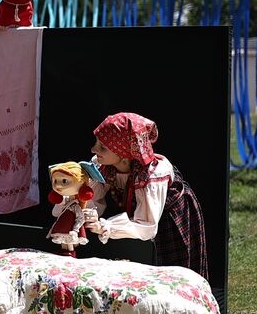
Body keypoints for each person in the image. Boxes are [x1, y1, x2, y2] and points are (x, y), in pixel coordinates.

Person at [85, 112, 209, 280]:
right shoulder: (103, 165)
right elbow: (92, 198)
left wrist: (106, 227)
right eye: (96, 144)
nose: (94, 150)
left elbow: (146, 226)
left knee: (172, 274)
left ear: (123, 154)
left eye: (103, 147)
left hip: (169, 220)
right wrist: (88, 214)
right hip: (140, 215)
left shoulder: (151, 176)